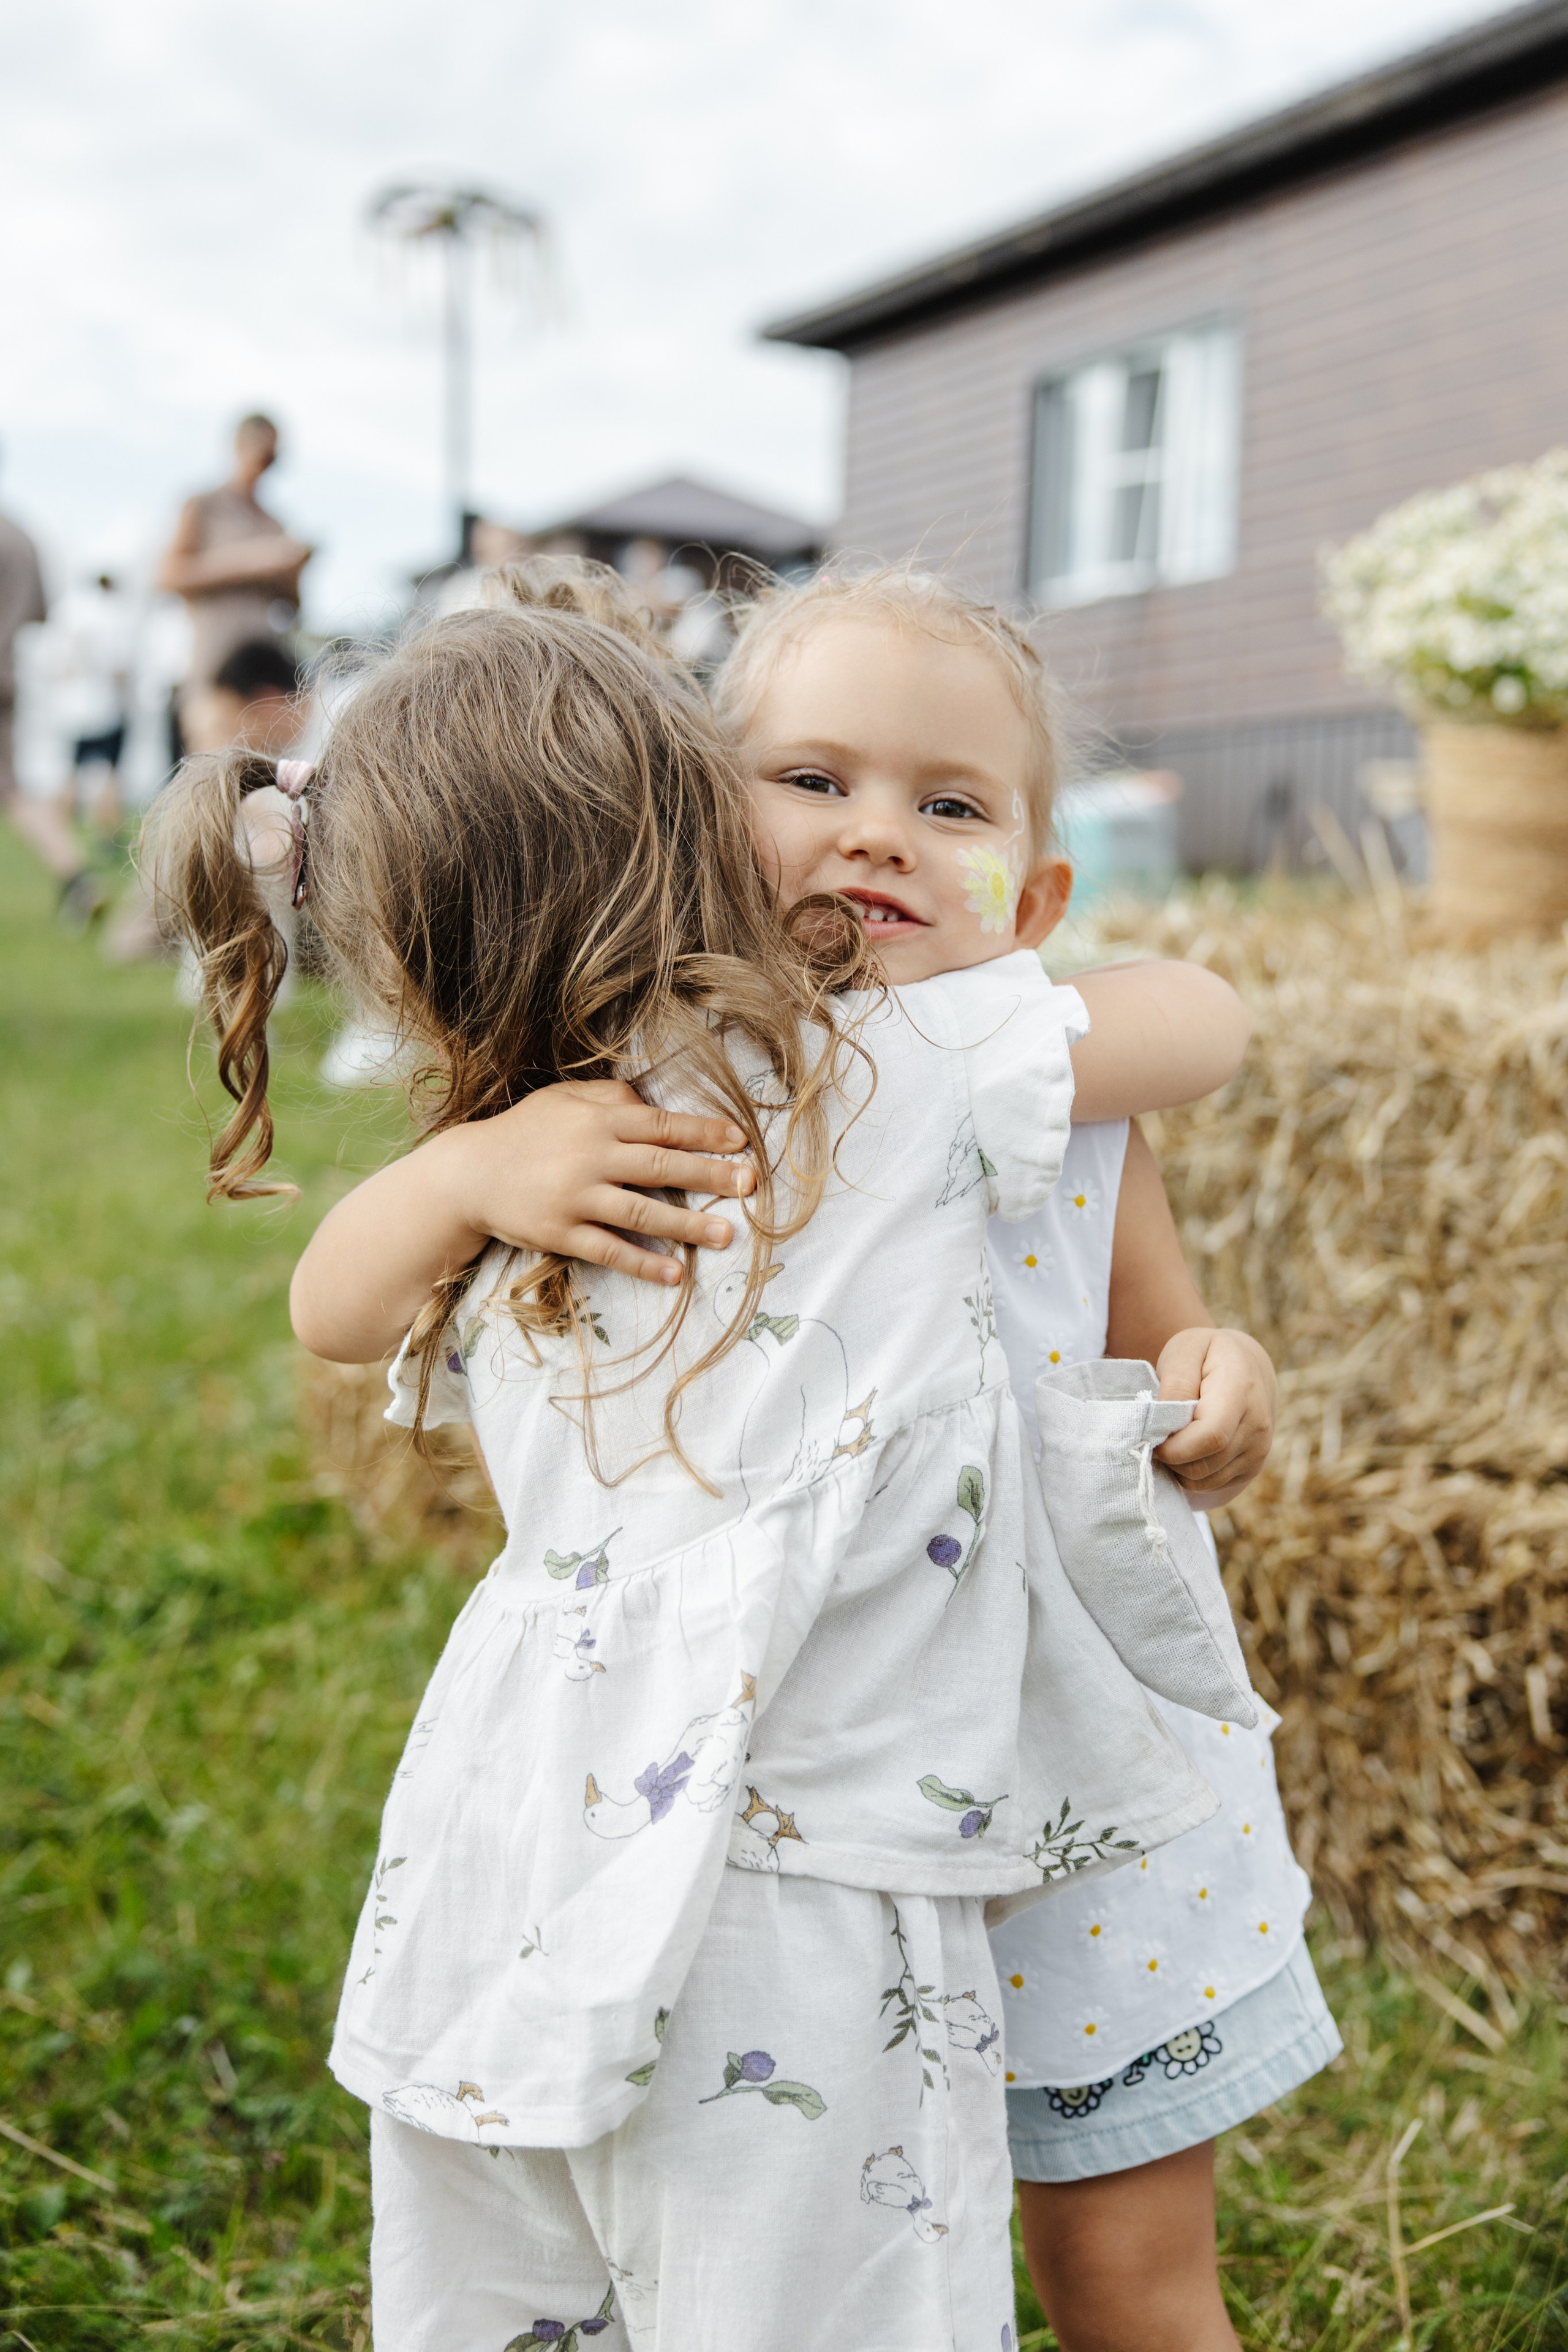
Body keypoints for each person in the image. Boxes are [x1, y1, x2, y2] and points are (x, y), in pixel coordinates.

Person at [150, 595, 1250, 2351]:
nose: (875, 830)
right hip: (819, 1833)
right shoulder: (867, 1072)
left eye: (941, 803)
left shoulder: (532, 1123)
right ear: (696, 819)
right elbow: (1202, 1025)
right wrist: (980, 970)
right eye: (806, 779)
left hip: (532, 1815)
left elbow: (330, 1310)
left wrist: (465, 1171)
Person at [156, 413, 311, 730]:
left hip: (261, 675)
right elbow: (168, 576)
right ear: (241, 446)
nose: (267, 463)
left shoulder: (275, 523)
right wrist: (250, 561)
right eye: (263, 453)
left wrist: (292, 570)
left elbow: (295, 607)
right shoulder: (204, 506)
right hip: (214, 667)